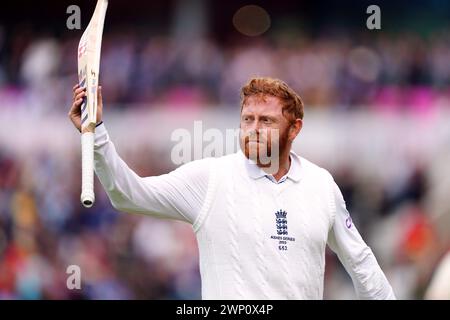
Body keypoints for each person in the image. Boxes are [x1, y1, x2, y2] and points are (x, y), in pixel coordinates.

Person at [68, 77, 396, 299]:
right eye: (247, 119)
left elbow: (361, 262)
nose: (253, 129)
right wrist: (96, 134)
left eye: (266, 121)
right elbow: (129, 195)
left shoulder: (321, 185)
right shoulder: (211, 178)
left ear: (294, 129)